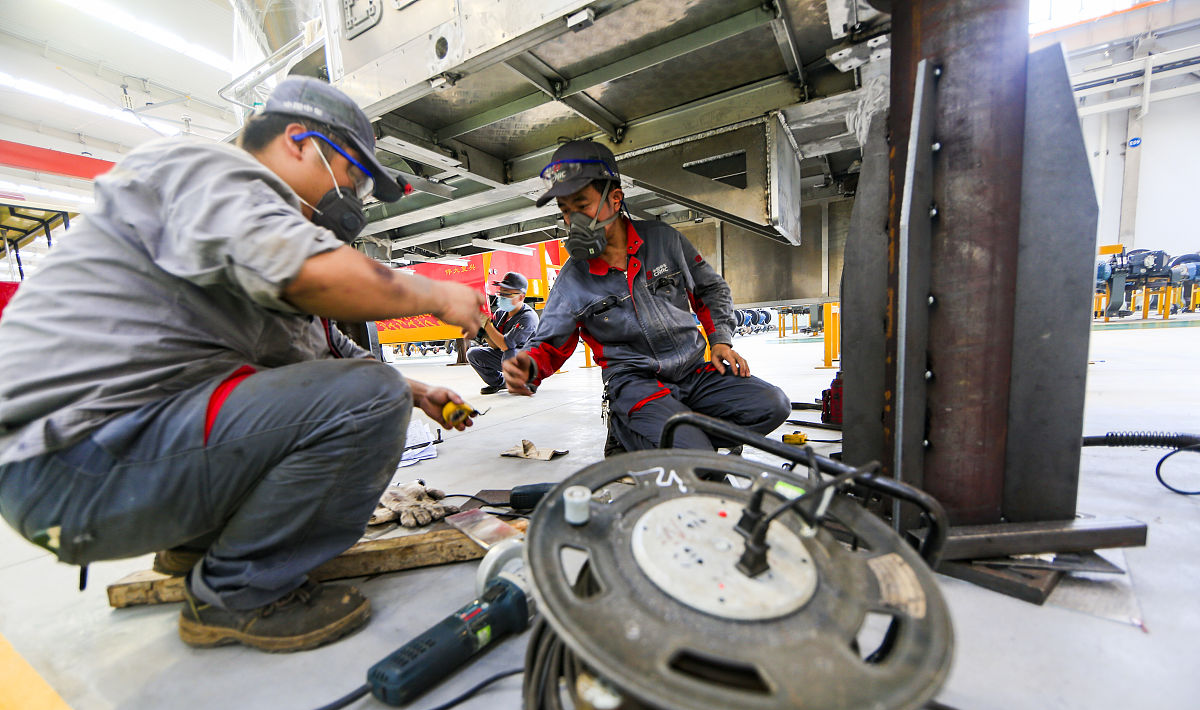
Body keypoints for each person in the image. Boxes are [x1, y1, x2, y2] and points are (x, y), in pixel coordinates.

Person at [0, 77, 489, 653]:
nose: (352, 200)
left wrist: (420, 392)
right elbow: (313, 284)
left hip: (85, 470)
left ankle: (199, 548)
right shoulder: (207, 170)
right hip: (71, 466)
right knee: (372, 396)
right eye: (352, 175)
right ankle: (238, 590)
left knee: (374, 389)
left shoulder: (236, 246)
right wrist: (436, 294)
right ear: (299, 142)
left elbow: (322, 354)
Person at [502, 140, 790, 452]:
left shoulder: (664, 240)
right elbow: (548, 344)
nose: (573, 221)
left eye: (582, 206)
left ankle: (678, 441)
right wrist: (528, 367)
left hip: (692, 373)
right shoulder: (573, 279)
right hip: (635, 383)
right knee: (696, 454)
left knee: (772, 405)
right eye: (565, 211)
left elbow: (709, 289)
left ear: (615, 199)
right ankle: (644, 432)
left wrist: (720, 340)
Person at [466, 271, 539, 394]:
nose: (502, 297)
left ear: (521, 297)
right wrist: (483, 330)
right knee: (473, 353)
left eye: (507, 294)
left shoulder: (528, 318)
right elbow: (495, 345)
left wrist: (487, 324)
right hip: (509, 355)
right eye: (501, 293)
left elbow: (506, 345)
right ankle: (499, 383)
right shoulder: (500, 313)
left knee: (510, 352)